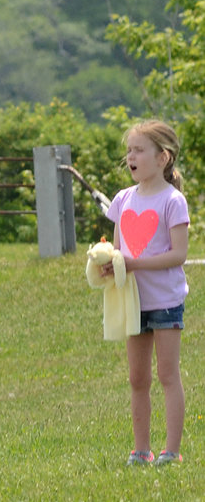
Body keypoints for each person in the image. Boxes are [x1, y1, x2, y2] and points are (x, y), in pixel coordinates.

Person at [102, 119, 190, 465]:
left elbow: (178, 254)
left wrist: (134, 263)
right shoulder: (123, 200)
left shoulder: (173, 201)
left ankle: (171, 451)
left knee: (168, 376)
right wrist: (109, 264)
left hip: (165, 302)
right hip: (133, 302)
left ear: (163, 158)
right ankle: (140, 451)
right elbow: (119, 250)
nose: (131, 157)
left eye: (139, 150)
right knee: (137, 378)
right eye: (129, 151)